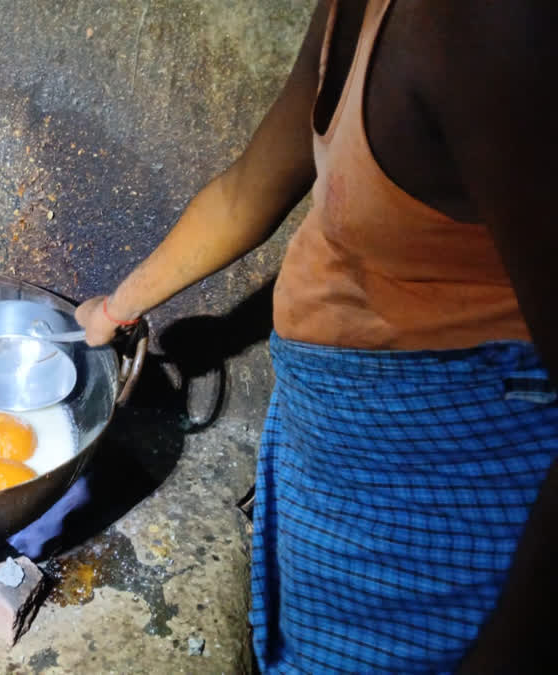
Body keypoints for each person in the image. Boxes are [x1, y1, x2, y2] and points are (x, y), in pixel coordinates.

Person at [74, 0, 558, 672]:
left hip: (444, 510)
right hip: (343, 475)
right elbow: (247, 192)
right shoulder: (351, 11)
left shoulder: (485, 26)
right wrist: (116, 308)